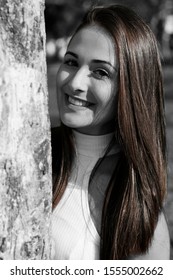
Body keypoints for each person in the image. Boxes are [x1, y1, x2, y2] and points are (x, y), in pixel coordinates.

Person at [51, 4, 170, 260]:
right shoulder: (23, 155)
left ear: (131, 88)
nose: (75, 82)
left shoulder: (137, 212)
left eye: (100, 72)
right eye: (72, 62)